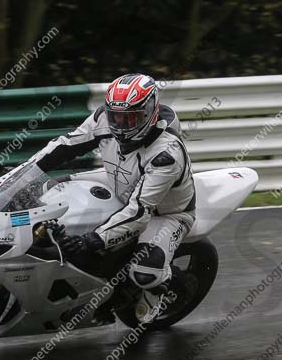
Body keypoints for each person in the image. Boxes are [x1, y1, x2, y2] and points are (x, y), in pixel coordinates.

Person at [30, 73, 196, 323]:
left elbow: (140, 213)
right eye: (116, 116)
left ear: (150, 111)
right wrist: (25, 173)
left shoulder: (166, 153)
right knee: (48, 189)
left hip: (165, 212)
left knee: (145, 272)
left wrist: (92, 239)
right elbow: (65, 145)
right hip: (118, 179)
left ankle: (156, 294)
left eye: (131, 117)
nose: (121, 124)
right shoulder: (103, 119)